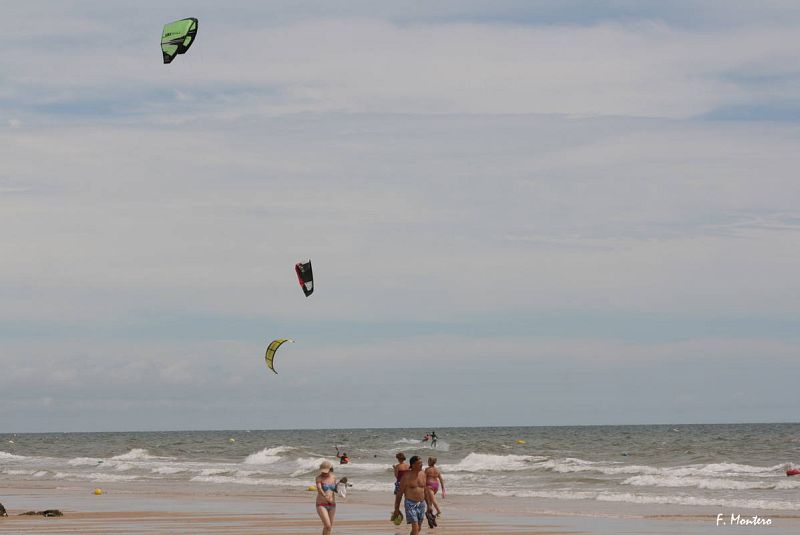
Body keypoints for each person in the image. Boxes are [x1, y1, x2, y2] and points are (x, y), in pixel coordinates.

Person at [393, 455, 429, 534]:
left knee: (418, 528)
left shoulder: (423, 474)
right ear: (413, 465)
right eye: (419, 463)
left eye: (421, 463)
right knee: (415, 527)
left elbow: (425, 491)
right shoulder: (406, 477)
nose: (421, 465)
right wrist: (396, 509)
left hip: (422, 504)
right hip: (410, 504)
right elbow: (399, 494)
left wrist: (429, 506)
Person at [315, 460, 338, 535]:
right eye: (323, 471)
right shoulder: (318, 478)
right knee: (327, 525)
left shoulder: (334, 477)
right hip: (321, 504)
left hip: (332, 504)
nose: (323, 473)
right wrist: (325, 496)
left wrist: (341, 488)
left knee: (329, 527)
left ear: (330, 470)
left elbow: (335, 490)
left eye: (326, 471)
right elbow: (319, 489)